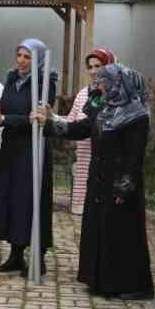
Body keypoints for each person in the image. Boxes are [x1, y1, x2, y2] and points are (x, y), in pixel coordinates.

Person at [39, 63, 154, 299]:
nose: (100, 86)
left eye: (104, 82)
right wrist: (49, 124)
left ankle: (131, 285)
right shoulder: (104, 111)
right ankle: (99, 280)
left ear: (118, 84)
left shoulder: (137, 116)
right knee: (98, 228)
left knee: (122, 234)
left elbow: (135, 156)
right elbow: (80, 129)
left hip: (120, 184)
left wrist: (124, 187)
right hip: (99, 178)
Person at [0, 39, 57, 278]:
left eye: (27, 57)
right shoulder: (12, 79)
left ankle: (39, 256)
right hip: (11, 149)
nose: (21, 61)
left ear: (37, 60)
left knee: (33, 199)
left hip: (33, 149)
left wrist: (5, 119)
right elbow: (4, 106)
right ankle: (15, 254)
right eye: (19, 55)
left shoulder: (46, 81)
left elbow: (35, 118)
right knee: (12, 199)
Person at [54, 48, 117, 219]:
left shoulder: (116, 95)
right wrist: (50, 118)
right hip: (83, 161)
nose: (93, 71)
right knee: (83, 219)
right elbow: (71, 122)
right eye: (90, 67)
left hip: (105, 164)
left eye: (98, 66)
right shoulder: (83, 94)